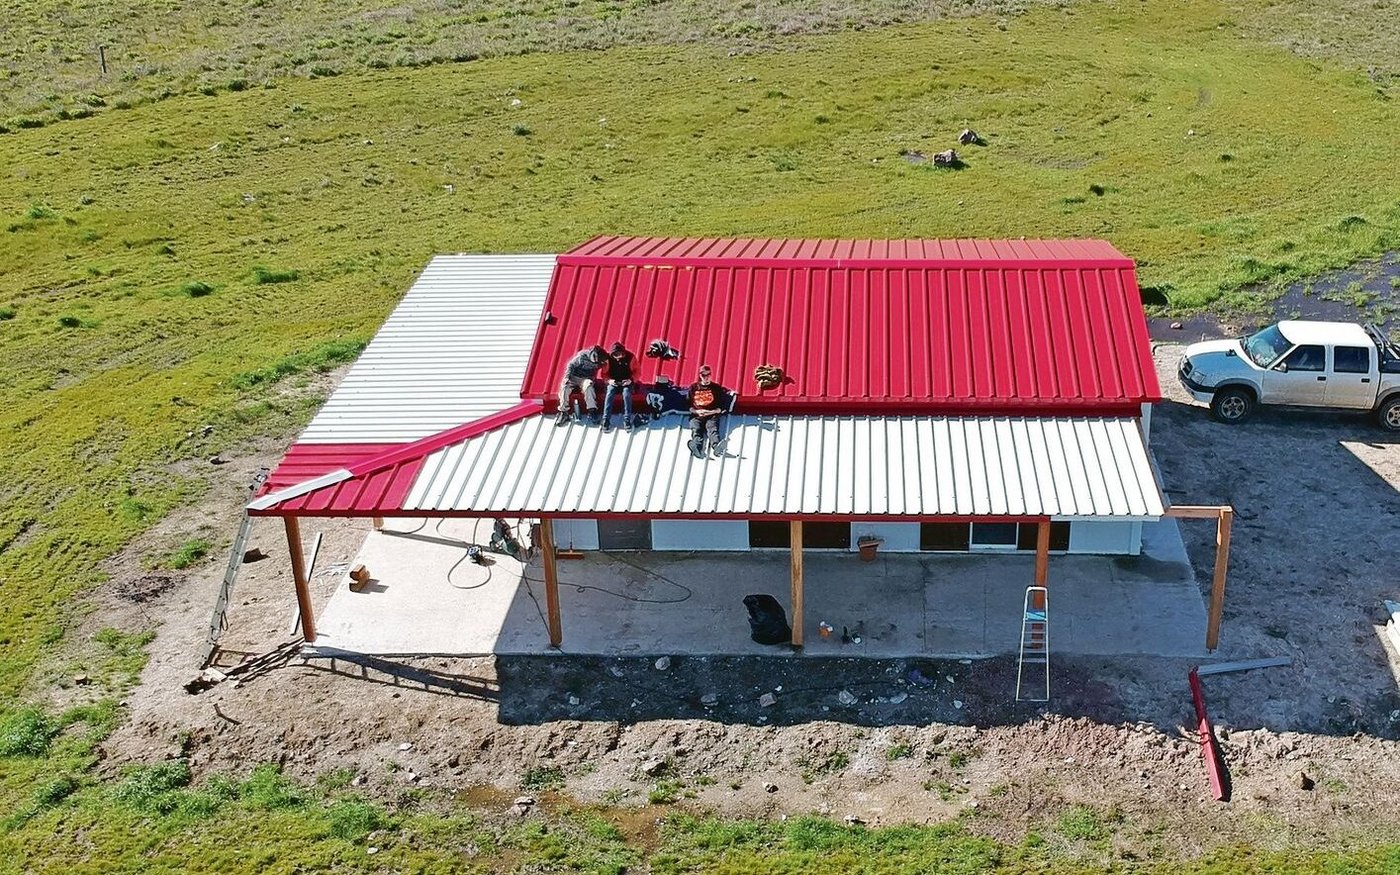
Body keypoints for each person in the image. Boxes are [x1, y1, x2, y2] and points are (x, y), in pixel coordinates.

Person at [686, 364, 731, 458]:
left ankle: (716, 446)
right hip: (697, 415)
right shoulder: (693, 387)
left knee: (712, 429)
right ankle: (697, 447)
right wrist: (696, 411)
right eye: (703, 375)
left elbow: (721, 405)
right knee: (696, 428)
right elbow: (687, 404)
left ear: (711, 375)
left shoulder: (716, 388)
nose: (706, 377)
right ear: (700, 375)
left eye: (708, 375)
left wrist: (713, 412)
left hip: (712, 414)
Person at [555, 345, 605, 426]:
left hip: (586, 379)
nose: (596, 361)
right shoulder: (582, 356)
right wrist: (567, 377)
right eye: (595, 358)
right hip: (574, 377)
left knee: (589, 386)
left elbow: (606, 369)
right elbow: (571, 365)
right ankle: (563, 412)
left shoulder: (602, 360)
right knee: (565, 387)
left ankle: (592, 410)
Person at [601, 341, 637, 432]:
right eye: (615, 355)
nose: (617, 357)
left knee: (626, 394)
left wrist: (631, 380)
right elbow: (604, 373)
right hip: (613, 382)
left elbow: (637, 371)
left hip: (627, 382)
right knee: (609, 392)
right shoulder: (608, 359)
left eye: (619, 354)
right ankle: (606, 419)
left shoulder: (631, 357)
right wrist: (609, 380)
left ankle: (627, 419)